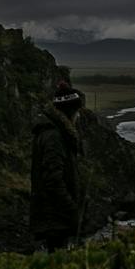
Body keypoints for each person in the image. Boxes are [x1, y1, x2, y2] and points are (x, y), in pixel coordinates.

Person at [30, 79, 86, 251]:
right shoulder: (54, 137)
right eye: (77, 111)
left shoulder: (55, 132)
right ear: (69, 112)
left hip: (54, 218)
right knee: (57, 265)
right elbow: (53, 180)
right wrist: (72, 210)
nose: (79, 116)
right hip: (54, 219)